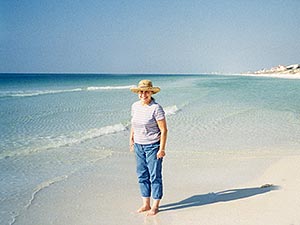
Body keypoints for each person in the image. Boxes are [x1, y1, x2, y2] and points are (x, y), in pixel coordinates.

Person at [129, 80, 168, 216]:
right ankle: (146, 204)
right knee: (142, 175)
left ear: (151, 92)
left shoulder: (156, 108)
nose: (143, 94)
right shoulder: (135, 106)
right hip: (139, 145)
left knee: (154, 176)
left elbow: (163, 130)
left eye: (146, 91)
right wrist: (131, 139)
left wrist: (161, 149)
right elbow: (133, 123)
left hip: (153, 146)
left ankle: (155, 205)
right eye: (141, 91)